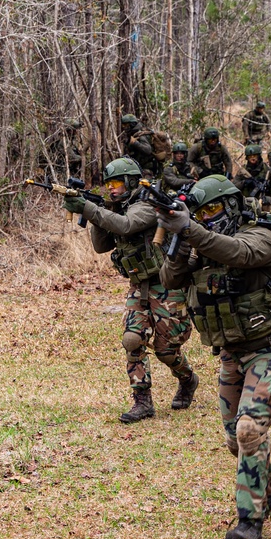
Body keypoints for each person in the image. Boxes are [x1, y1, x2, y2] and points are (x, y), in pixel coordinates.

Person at [157, 174, 271, 539]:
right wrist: (178, 238)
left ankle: (249, 521)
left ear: (233, 205)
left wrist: (192, 229)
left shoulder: (262, 236)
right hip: (232, 355)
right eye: (202, 213)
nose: (209, 218)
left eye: (215, 209)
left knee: (249, 429)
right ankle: (270, 491)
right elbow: (170, 279)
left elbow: (239, 253)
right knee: (236, 439)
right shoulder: (201, 242)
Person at [62, 157, 200, 423]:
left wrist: (90, 208)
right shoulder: (118, 207)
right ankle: (142, 401)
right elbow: (102, 247)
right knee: (132, 339)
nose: (111, 189)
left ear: (130, 182)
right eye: (108, 184)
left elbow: (126, 225)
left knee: (165, 350)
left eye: (116, 183)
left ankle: (187, 379)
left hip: (167, 284)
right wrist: (96, 212)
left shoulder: (148, 204)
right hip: (139, 285)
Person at [120, 114, 160, 180]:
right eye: (123, 125)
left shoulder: (140, 134)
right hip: (137, 168)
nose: (124, 127)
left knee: (144, 187)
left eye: (126, 125)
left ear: (132, 124)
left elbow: (148, 150)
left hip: (147, 168)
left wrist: (135, 143)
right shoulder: (132, 133)